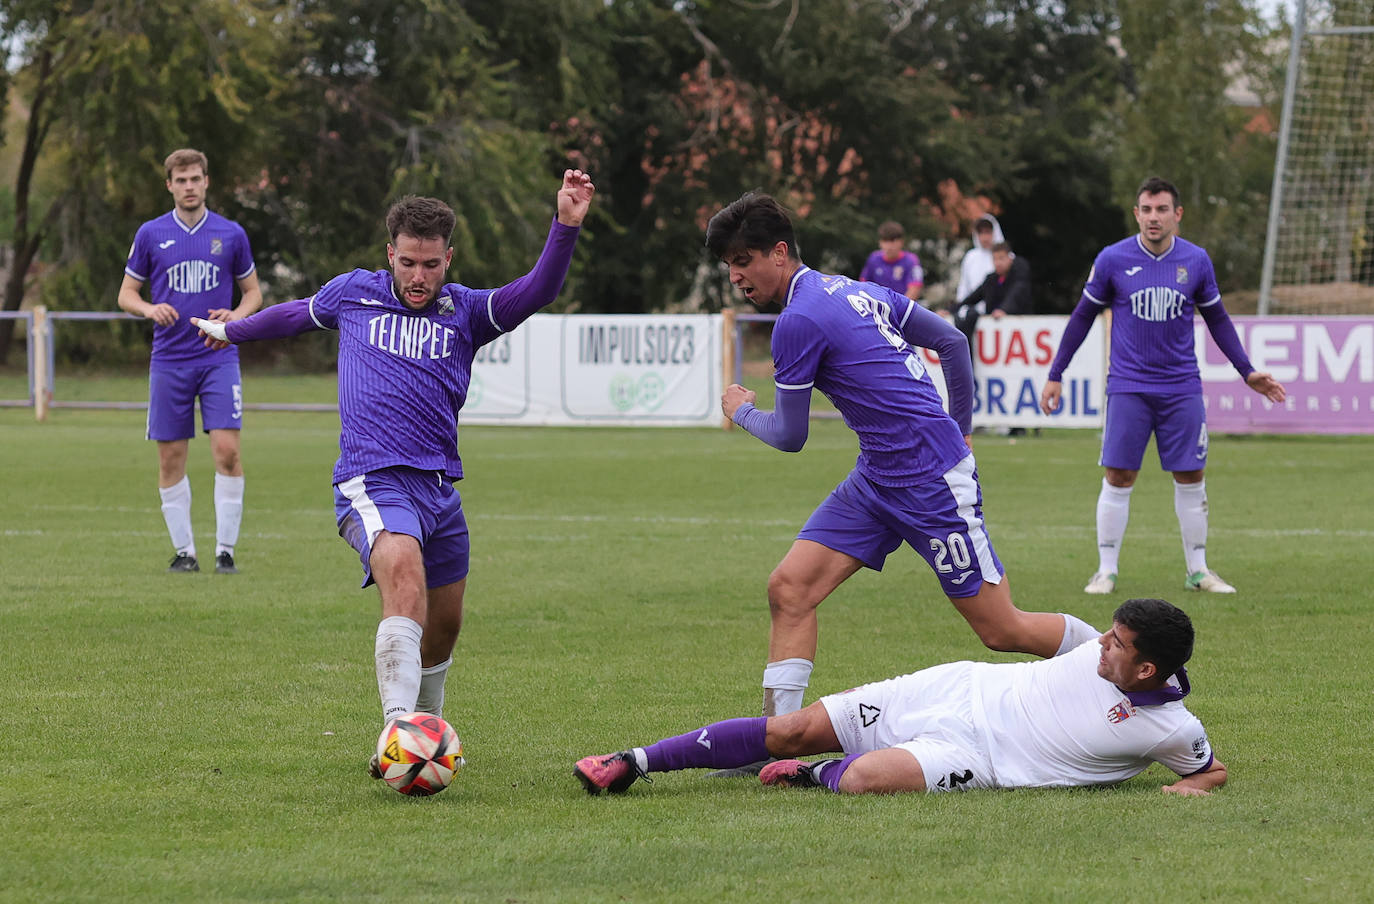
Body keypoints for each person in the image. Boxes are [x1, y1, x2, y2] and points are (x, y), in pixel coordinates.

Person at [190, 170, 595, 772]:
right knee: (402, 575)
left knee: (446, 622)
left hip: (439, 490)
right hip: (371, 478)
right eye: (408, 263)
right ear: (391, 255)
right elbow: (292, 315)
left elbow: (537, 290)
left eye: (431, 264)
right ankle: (399, 738)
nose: (418, 276)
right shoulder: (354, 293)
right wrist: (230, 329)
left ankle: (427, 735)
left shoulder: (469, 312)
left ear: (447, 259)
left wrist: (564, 226)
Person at [709, 192, 1099, 761]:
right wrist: (960, 428)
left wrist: (740, 408)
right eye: (728, 266)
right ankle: (778, 741)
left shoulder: (796, 321)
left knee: (1001, 629)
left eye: (744, 260)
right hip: (878, 476)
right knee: (790, 589)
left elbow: (790, 437)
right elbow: (950, 340)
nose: (736, 276)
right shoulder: (852, 288)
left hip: (930, 483)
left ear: (779, 251)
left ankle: (1119, 661)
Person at [576, 598, 1225, 797]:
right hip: (951, 687)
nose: (1101, 646)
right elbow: (1015, 626)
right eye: (1107, 635)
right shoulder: (1087, 641)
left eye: (1117, 645)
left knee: (860, 782)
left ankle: (813, 776)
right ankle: (633, 761)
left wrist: (1186, 789)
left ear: (1146, 669)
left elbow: (1210, 771)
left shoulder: (1171, 727)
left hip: (980, 757)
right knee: (794, 726)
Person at [1039, 176, 1286, 596]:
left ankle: (1198, 570)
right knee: (1119, 475)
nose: (1154, 218)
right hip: (1129, 387)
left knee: (1191, 474)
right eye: (1147, 210)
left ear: (1177, 214)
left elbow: (1219, 321)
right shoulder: (1113, 259)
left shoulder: (1196, 261)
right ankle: (1106, 570)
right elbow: (1082, 316)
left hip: (1181, 387)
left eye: (1162, 210)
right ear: (1137, 213)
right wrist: (1056, 372)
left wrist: (1247, 371)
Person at [118, 148, 263, 574]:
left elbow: (252, 292)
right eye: (180, 180)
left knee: (228, 453)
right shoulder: (150, 233)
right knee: (170, 458)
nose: (188, 186)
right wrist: (148, 309)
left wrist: (235, 317)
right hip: (169, 360)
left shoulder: (231, 233)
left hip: (218, 356)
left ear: (206, 181)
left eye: (195, 178)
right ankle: (185, 553)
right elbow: (126, 294)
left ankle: (225, 552)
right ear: (169, 185)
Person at [948, 241, 1032, 359]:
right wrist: (951, 310)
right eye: (995, 259)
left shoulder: (1019, 276)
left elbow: (1015, 294)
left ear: (1010, 258)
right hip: (994, 338)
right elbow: (973, 297)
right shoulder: (991, 279)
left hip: (1016, 332)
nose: (998, 263)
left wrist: (1003, 310)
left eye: (1001, 258)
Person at [858, 220, 924, 300]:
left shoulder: (911, 260)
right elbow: (863, 286)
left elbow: (914, 289)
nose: (889, 246)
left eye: (893, 241)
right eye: (885, 241)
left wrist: (899, 309)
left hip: (902, 308)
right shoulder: (873, 259)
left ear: (901, 242)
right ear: (880, 243)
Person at [954, 214, 1005, 304]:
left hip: (999, 313)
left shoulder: (1006, 256)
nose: (984, 238)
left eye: (988, 232)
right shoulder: (971, 257)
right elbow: (964, 286)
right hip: (973, 312)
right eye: (981, 233)